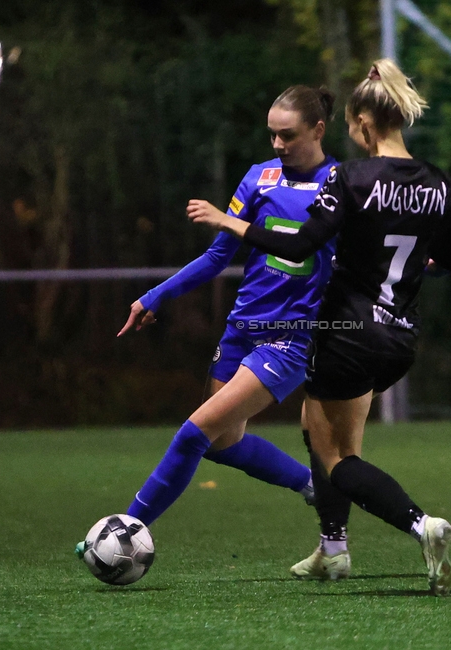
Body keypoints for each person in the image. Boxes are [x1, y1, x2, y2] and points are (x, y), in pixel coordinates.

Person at [188, 59, 451, 595]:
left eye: (349, 124)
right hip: (399, 341)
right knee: (318, 429)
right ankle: (332, 548)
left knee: (336, 456)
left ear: (365, 122)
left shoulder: (352, 177)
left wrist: (230, 221)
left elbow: (299, 244)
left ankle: (422, 526)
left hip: (348, 334)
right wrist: (431, 265)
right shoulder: (441, 184)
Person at [102, 85, 342, 537]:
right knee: (222, 442)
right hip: (241, 330)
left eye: (287, 135)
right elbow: (217, 258)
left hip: (290, 339)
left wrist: (427, 266)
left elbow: (371, 257)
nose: (277, 144)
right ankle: (314, 486)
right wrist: (153, 297)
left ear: (318, 129)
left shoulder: (340, 184)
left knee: (194, 432)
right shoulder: (259, 177)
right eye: (272, 135)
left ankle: (127, 531)